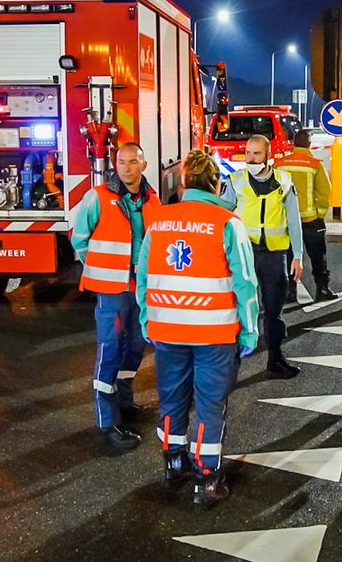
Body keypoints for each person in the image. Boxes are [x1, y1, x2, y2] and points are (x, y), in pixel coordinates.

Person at [136, 150, 260, 509]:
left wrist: (147, 319)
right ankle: (207, 481)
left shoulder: (159, 221)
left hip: (167, 331)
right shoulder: (227, 223)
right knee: (209, 402)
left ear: (185, 182)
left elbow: (142, 276)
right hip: (214, 333)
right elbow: (245, 284)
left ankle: (173, 466)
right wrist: (249, 332)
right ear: (217, 184)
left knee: (172, 398)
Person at [72, 143, 158, 452]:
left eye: (132, 162)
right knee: (109, 352)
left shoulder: (153, 200)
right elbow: (79, 239)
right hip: (111, 291)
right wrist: (99, 269)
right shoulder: (97, 197)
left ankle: (124, 403)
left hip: (140, 290)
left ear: (143, 165)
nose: (125, 167)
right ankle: (106, 424)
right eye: (120, 162)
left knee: (135, 348)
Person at [224, 134, 305, 378]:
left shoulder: (284, 181)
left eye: (257, 153)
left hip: (274, 254)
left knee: (273, 310)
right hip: (243, 253)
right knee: (236, 307)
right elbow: (221, 215)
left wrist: (297, 255)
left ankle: (275, 358)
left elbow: (294, 221)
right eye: (248, 153)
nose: (251, 158)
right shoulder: (235, 180)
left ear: (268, 155)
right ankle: (229, 362)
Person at [277, 129, 336, 302]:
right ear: (309, 144)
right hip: (311, 220)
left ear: (293, 143)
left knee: (288, 256)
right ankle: (322, 289)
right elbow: (325, 192)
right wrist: (320, 213)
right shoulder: (314, 163)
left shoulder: (280, 164)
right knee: (318, 257)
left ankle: (289, 292)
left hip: (286, 220)